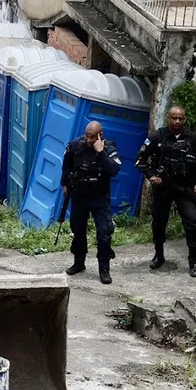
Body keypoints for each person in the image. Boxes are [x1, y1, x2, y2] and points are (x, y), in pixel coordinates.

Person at [135, 106, 196, 277]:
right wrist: (152, 176)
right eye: (174, 118)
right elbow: (140, 160)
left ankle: (193, 259)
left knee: (192, 221)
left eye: (180, 118)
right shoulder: (157, 137)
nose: (177, 121)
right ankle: (159, 255)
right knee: (159, 222)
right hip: (163, 188)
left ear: (184, 119)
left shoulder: (192, 138)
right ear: (168, 118)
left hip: (185, 188)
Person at [62, 121, 122, 284]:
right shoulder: (75, 145)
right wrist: (65, 184)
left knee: (104, 233)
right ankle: (79, 262)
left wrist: (101, 152)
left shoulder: (109, 148)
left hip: (99, 198)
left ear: (100, 135)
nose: (89, 140)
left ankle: (104, 268)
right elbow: (66, 165)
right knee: (78, 231)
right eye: (87, 136)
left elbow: (114, 170)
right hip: (79, 196)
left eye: (92, 137)